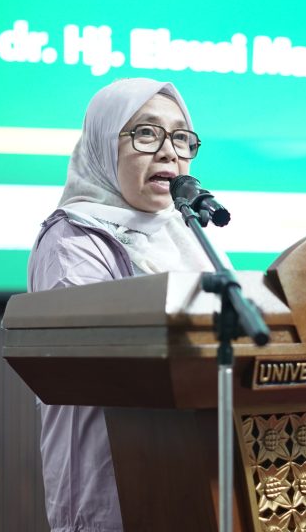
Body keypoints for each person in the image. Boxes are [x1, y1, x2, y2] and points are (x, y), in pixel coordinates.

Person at [27, 78, 214, 532]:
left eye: (182, 138)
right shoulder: (73, 240)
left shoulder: (186, 234)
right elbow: (95, 364)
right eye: (146, 133)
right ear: (104, 145)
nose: (169, 152)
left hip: (191, 475)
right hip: (114, 483)